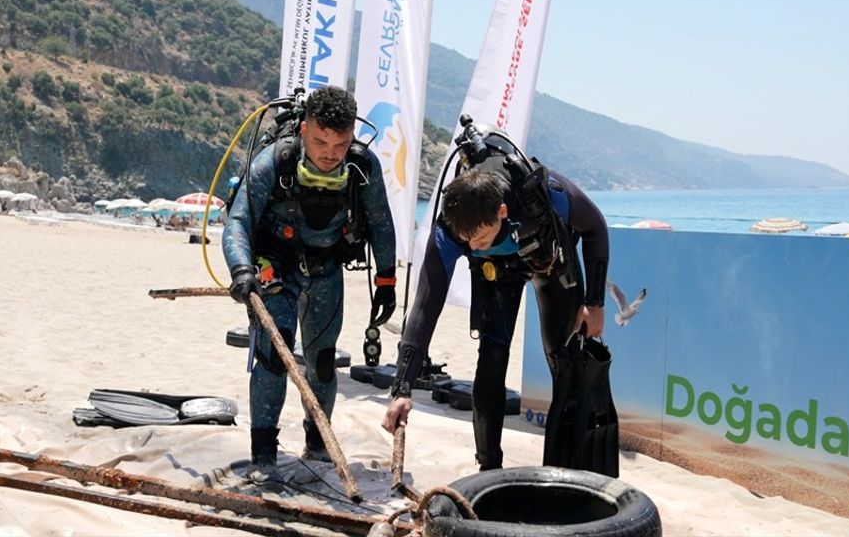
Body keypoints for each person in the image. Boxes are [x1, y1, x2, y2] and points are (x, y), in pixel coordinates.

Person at [381, 128, 608, 471]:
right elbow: (426, 306)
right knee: (492, 355)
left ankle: (571, 465)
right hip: (495, 273)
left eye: (481, 237)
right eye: (466, 241)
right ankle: (488, 468)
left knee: (565, 358)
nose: (472, 247)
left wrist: (595, 302)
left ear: (502, 211)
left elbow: (596, 227)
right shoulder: (449, 228)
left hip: (548, 260)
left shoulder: (542, 194)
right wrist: (402, 386)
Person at [223, 85, 397, 480]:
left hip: (326, 270)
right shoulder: (276, 162)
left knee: (321, 361)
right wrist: (241, 270)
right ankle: (263, 456)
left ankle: (317, 447)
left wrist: (386, 280)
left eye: (340, 143)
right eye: (320, 141)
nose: (330, 152)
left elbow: (382, 224)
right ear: (303, 130)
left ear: (352, 135)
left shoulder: (362, 167)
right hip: (275, 269)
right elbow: (238, 221)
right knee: (274, 355)